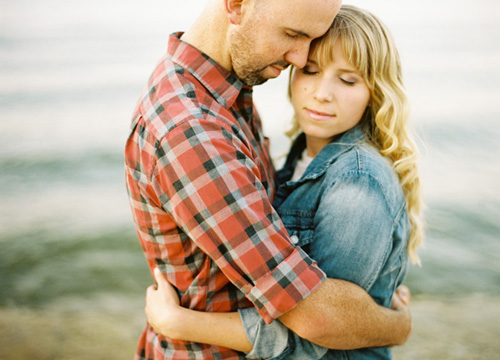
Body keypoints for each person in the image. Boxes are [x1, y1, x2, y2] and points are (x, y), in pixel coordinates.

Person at [125, 1, 413, 359]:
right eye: (293, 35)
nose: (298, 58)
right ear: (237, 5)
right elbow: (317, 317)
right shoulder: (193, 131)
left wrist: (178, 322)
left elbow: (318, 318)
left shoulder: (229, 96)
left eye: (310, 39)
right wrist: (395, 326)